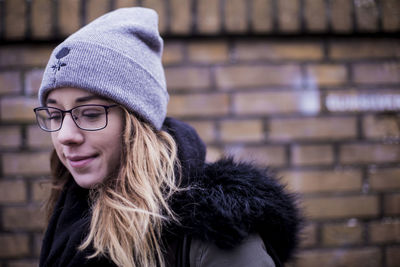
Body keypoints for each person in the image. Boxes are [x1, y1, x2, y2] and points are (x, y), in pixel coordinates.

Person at [34, 7, 302, 267]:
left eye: (90, 114)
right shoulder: (69, 213)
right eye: (55, 115)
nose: (65, 136)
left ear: (138, 123)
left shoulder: (214, 232)